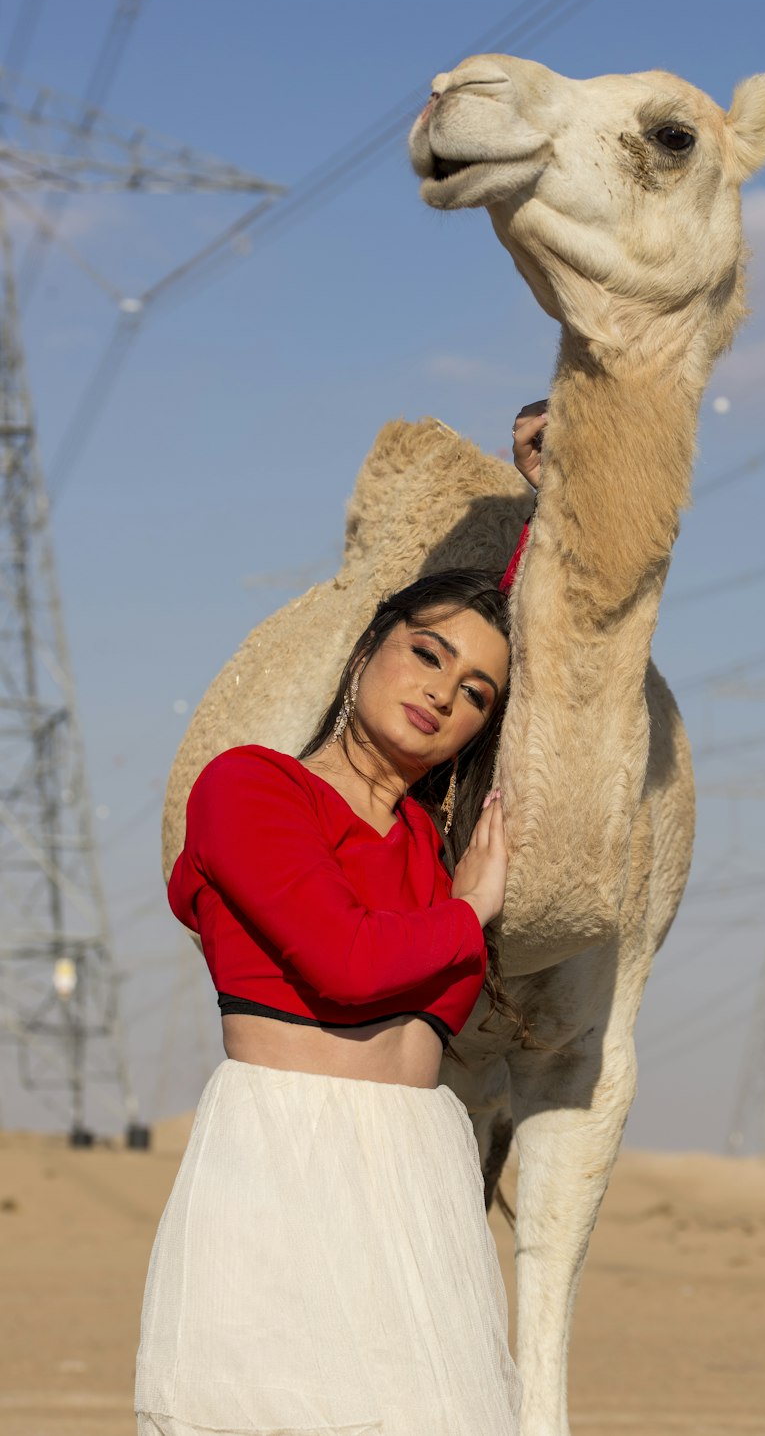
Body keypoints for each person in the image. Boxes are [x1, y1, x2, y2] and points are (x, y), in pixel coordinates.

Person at [134, 405, 547, 1436]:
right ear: (368, 648)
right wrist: (468, 913)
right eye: (425, 653)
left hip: (419, 1171)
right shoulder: (249, 787)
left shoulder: (426, 846)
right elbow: (346, 966)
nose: (442, 692)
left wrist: (556, 502)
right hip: (288, 1158)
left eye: (476, 693)